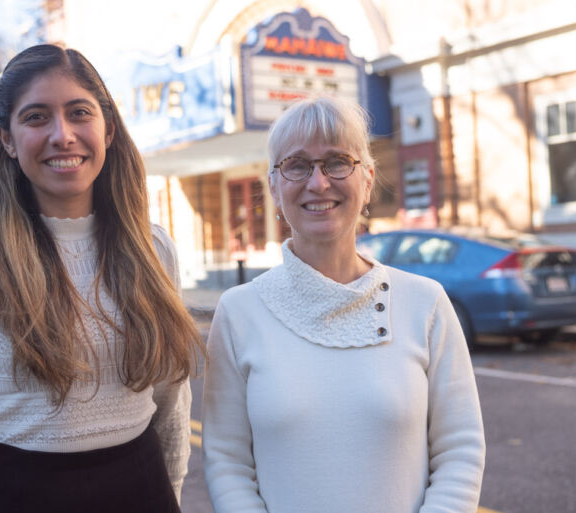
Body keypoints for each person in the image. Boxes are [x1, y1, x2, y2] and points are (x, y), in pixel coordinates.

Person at [0, 44, 204, 513]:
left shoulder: (153, 249)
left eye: (79, 112)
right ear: (6, 138)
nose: (63, 135)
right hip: (18, 495)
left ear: (107, 128)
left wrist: (173, 494)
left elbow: (171, 404)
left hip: (142, 490)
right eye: (37, 117)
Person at [202, 96, 486, 513]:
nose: (318, 183)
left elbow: (460, 449)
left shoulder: (425, 304)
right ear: (275, 188)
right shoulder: (239, 312)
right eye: (297, 165)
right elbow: (227, 462)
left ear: (368, 180)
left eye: (337, 162)